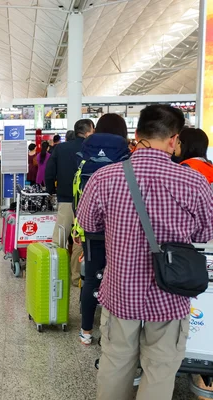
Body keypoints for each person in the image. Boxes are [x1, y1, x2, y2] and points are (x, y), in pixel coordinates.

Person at [77, 104, 213, 400]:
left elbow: (87, 223)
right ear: (174, 140)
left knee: (115, 364)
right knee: (161, 370)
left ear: (137, 135)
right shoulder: (194, 182)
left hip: (121, 291)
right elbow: (205, 234)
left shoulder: (105, 178)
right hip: (170, 294)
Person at [73, 113, 130, 345]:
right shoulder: (126, 156)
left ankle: (86, 331)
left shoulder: (86, 155)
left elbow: (78, 190)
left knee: (92, 277)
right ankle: (116, 330)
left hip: (92, 230)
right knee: (122, 278)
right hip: (122, 229)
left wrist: (78, 228)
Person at [45, 119, 94, 285]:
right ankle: (76, 277)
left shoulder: (61, 148)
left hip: (65, 198)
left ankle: (54, 273)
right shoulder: (92, 148)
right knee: (80, 238)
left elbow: (49, 171)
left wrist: (51, 189)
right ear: (89, 131)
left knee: (59, 236)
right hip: (86, 201)